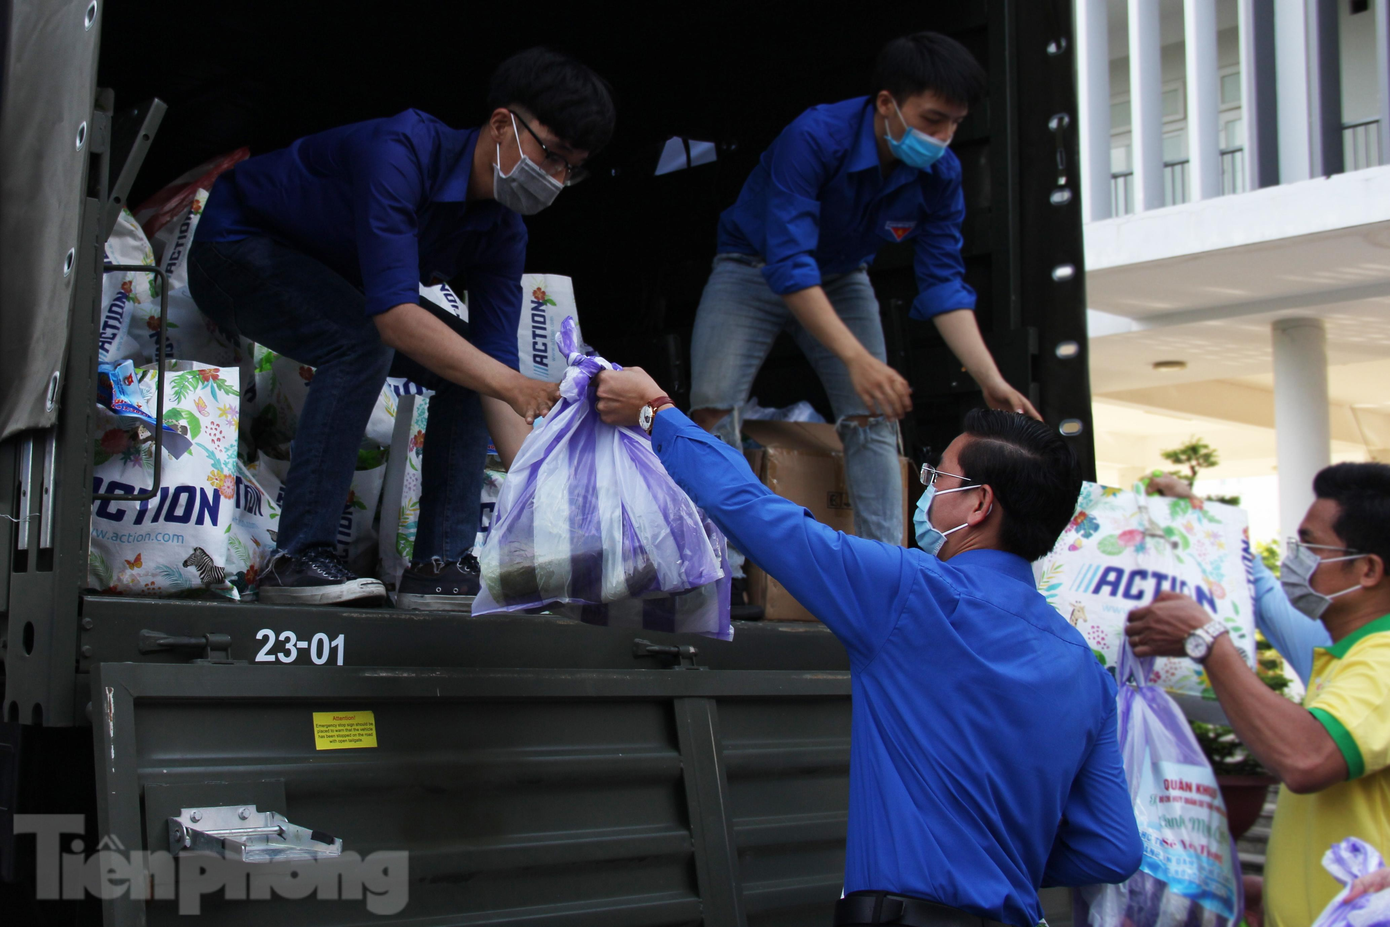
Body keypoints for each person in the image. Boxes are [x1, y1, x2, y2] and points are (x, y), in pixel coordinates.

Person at [594, 367, 1141, 927]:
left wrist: (655, 412)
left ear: (979, 505)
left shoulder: (912, 596)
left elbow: (754, 509)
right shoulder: (1086, 670)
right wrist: (994, 864)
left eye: (939, 477)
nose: (927, 490)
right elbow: (1114, 850)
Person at [189, 47, 615, 608]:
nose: (556, 179)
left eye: (571, 168)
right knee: (360, 338)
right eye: (552, 155)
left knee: (473, 370)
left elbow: (496, 372)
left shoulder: (502, 232)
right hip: (237, 252)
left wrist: (547, 499)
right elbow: (393, 319)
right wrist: (512, 386)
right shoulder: (403, 151)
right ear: (500, 125)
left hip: (338, 287)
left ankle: (440, 564)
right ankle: (297, 559)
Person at [687, 31, 1039, 547]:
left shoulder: (940, 173)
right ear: (886, 104)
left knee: (875, 416)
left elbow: (943, 281)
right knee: (711, 407)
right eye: (932, 120)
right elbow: (788, 265)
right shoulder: (813, 137)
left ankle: (887, 566)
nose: (942, 138)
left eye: (955, 125)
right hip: (752, 267)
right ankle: (714, 563)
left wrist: (991, 379)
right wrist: (858, 360)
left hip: (843, 276)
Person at [1127, 464, 1390, 927]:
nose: (1297, 559)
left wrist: (1208, 641)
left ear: (1367, 569)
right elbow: (1259, 587)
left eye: (1310, 546)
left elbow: (1307, 757)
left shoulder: (1384, 660)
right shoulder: (1346, 658)